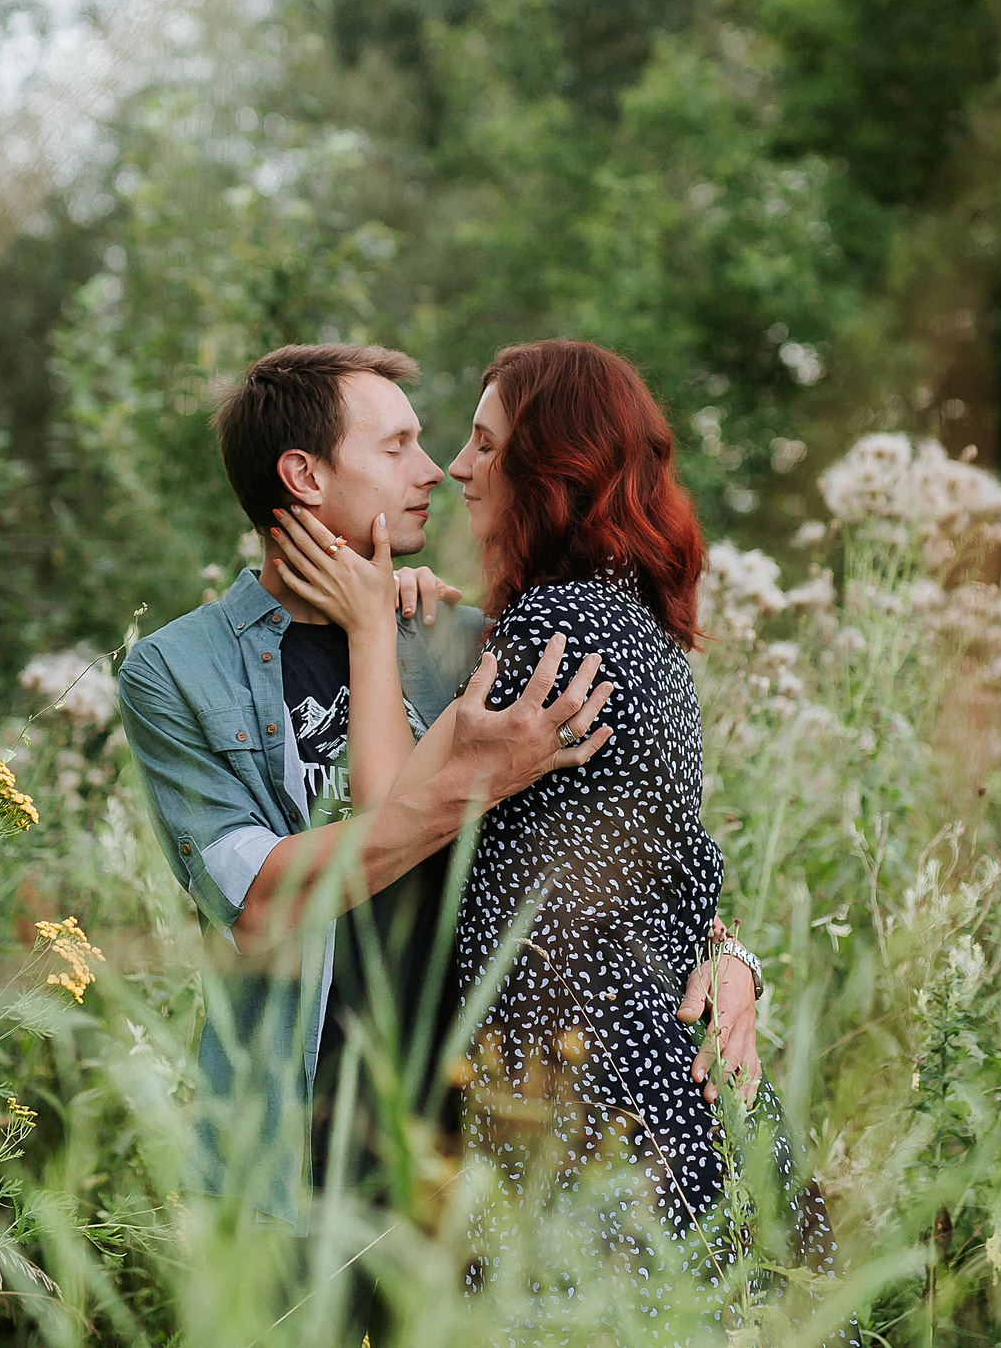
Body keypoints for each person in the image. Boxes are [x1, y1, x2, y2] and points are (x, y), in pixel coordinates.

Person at [117, 343, 764, 1239]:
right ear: (303, 475)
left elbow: (620, 835)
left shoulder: (464, 635)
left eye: (447, 444)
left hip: (490, 1137)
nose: (436, 470)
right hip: (298, 1149)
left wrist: (731, 955)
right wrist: (472, 779)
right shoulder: (178, 671)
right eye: (397, 447)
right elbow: (262, 902)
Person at [262, 340, 827, 1295]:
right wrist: (733, 955)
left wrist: (367, 630)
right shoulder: (629, 624)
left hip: (586, 1092)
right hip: (647, 1070)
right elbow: (660, 865)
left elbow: (391, 816)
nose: (459, 467)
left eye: (485, 444)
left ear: (551, 469)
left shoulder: (554, 632)